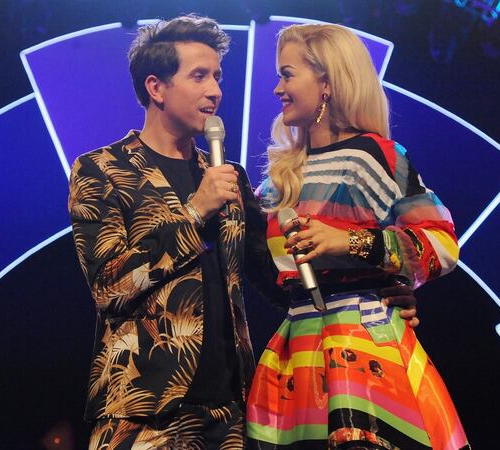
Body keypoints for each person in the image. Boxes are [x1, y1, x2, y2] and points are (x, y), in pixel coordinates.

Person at [246, 23, 470, 450]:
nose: (277, 88)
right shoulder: (277, 181)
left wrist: (348, 242)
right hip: (297, 351)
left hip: (363, 350)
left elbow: (442, 246)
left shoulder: (375, 157)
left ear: (327, 81)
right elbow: (261, 267)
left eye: (287, 74)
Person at [68, 15, 284, 449]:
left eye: (218, 76)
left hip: (229, 415)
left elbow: (273, 275)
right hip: (142, 414)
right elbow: (109, 286)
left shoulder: (228, 176)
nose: (216, 91)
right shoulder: (102, 170)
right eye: (199, 76)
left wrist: (364, 293)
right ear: (156, 87)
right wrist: (193, 212)